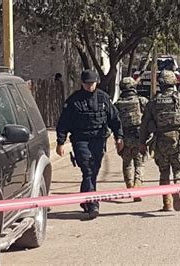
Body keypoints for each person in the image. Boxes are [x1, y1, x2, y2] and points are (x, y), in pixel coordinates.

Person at [56, 69, 124, 219]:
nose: (90, 86)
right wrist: (60, 142)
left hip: (98, 140)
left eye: (92, 83)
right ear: (82, 83)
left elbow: (114, 119)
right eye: (87, 84)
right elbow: (63, 123)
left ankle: (85, 199)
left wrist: (119, 137)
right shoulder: (74, 100)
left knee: (93, 171)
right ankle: (93, 203)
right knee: (87, 169)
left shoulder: (103, 98)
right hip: (81, 140)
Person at [139, 70, 180, 211]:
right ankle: (177, 189)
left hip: (160, 141)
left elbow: (144, 125)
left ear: (160, 84)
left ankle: (166, 203)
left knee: (164, 172)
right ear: (174, 83)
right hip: (179, 141)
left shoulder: (153, 102)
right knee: (178, 170)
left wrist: (142, 143)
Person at [114, 77, 148, 201]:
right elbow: (149, 116)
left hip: (124, 137)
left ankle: (129, 187)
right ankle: (137, 185)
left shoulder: (117, 104)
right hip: (139, 137)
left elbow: (114, 121)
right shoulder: (141, 101)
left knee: (127, 163)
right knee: (139, 163)